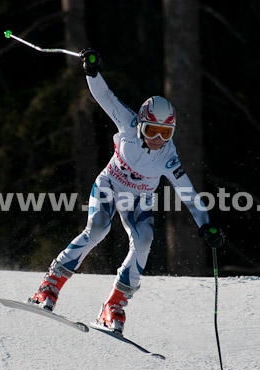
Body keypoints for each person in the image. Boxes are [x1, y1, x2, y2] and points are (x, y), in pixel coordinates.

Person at [30, 48, 225, 334]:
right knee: (97, 229)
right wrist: (92, 71)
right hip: (110, 185)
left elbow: (190, 196)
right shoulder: (128, 122)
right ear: (141, 125)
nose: (158, 139)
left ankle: (114, 304)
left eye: (165, 133)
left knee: (145, 239)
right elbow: (104, 96)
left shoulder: (168, 157)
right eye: (152, 131)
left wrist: (206, 227)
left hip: (139, 198)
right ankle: (50, 285)